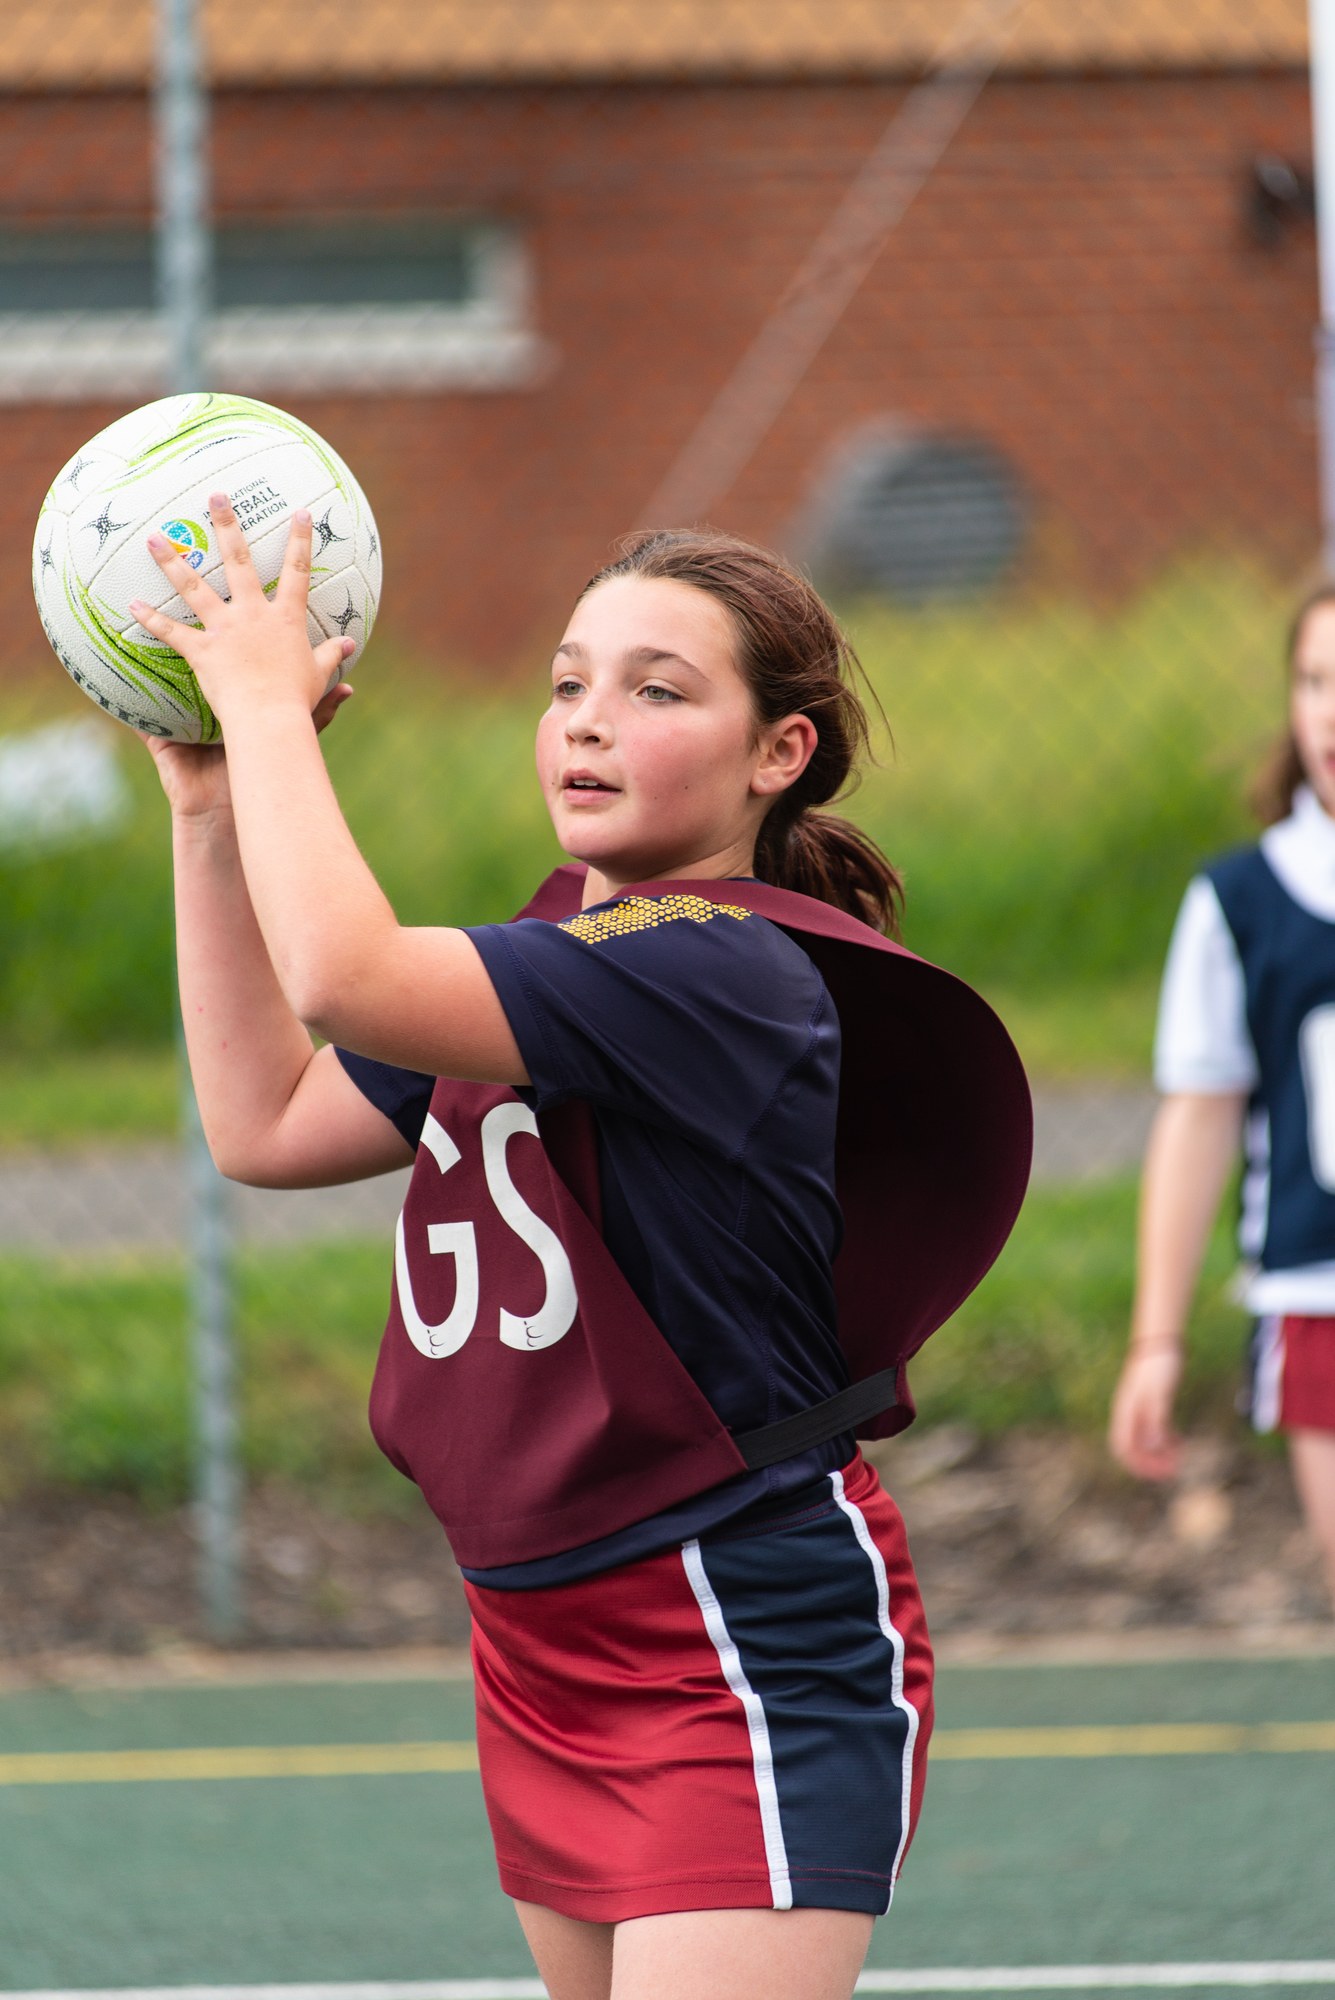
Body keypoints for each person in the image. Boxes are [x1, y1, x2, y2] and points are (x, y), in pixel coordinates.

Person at [133, 503, 1029, 2000]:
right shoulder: (563, 951)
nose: (589, 721)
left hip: (727, 1613)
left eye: (656, 689)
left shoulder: (721, 964)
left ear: (777, 753)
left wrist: (267, 709)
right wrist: (213, 809)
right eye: (567, 683)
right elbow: (265, 1118)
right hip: (536, 1629)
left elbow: (342, 975)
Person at [1109, 584, 1335, 1611]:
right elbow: (1197, 1118)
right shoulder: (1241, 900)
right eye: (1314, 681)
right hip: (1316, 1292)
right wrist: (1155, 1340)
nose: (1329, 710)